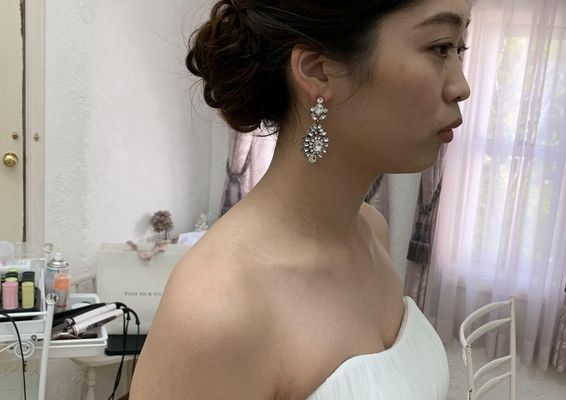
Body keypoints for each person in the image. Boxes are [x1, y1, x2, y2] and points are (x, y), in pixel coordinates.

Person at [130, 0, 470, 398]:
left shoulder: (371, 232)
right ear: (317, 70)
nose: (461, 86)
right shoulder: (218, 308)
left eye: (459, 49)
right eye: (440, 47)